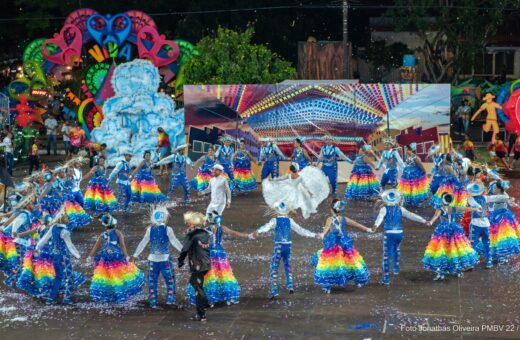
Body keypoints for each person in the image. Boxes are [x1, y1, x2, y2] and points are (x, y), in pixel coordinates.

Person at [250, 201, 318, 299]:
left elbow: (266, 227)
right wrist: (314, 235)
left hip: (279, 247)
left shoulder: (275, 220)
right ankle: (290, 286)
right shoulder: (290, 221)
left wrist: (258, 231)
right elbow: (301, 230)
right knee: (287, 265)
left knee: (274, 267)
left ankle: (274, 291)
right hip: (288, 247)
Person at [187, 211, 248, 306]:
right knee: (214, 274)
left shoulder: (216, 229)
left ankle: (218, 296)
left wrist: (246, 235)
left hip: (216, 255)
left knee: (218, 274)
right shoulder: (209, 229)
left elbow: (233, 233)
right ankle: (213, 297)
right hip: (213, 254)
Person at [313, 199, 372, 293]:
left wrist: (322, 234)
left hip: (333, 243)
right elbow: (356, 224)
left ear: (331, 209)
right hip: (344, 242)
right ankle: (358, 280)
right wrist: (368, 229)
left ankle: (327, 285)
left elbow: (327, 228)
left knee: (330, 263)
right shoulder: (344, 219)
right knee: (350, 260)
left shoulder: (330, 219)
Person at [373, 190, 428, 285]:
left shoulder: (384, 209)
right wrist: (423, 221)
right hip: (399, 234)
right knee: (396, 249)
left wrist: (375, 226)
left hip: (389, 234)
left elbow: (380, 218)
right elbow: (411, 215)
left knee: (386, 256)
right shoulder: (400, 209)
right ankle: (395, 267)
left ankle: (386, 278)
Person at [85, 214, 144, 303]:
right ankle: (119, 292)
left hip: (104, 257)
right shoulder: (118, 233)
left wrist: (89, 256)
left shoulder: (102, 234)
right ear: (115, 224)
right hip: (116, 256)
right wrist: (127, 256)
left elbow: (96, 247)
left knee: (106, 275)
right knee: (118, 275)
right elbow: (122, 246)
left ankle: (108, 293)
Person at [132, 206, 183, 308]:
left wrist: (135, 255)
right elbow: (175, 242)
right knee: (170, 281)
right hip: (165, 261)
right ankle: (170, 300)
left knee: (152, 282)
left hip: (152, 261)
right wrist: (185, 251)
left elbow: (143, 242)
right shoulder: (168, 229)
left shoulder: (150, 229)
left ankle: (153, 301)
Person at [423, 193, 479, 281]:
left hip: (444, 232)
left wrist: (431, 222)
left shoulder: (441, 208)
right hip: (454, 231)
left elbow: (435, 216)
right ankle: (456, 270)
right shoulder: (452, 208)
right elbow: (465, 208)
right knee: (455, 250)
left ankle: (444, 272)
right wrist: (475, 209)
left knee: (442, 251)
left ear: (442, 199)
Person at [35, 208, 84, 304]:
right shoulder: (64, 232)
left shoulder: (53, 228)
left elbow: (44, 240)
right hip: (64, 258)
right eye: (66, 216)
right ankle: (67, 297)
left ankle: (50, 298)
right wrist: (78, 256)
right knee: (69, 277)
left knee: (58, 276)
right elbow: (70, 246)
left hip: (55, 256)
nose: (68, 218)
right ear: (62, 218)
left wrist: (37, 247)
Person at [466, 182, 512, 268]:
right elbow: (502, 197)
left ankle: (470, 263)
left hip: (475, 223)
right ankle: (489, 262)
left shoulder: (470, 199)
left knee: (473, 243)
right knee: (487, 243)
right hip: (485, 224)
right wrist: (504, 191)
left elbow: (467, 206)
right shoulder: (485, 197)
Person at [262, 162, 329, 219]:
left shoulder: (295, 176)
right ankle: (287, 212)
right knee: (289, 202)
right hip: (291, 191)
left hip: (292, 191)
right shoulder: (295, 176)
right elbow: (282, 178)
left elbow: (304, 186)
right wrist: (273, 180)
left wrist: (310, 193)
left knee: (291, 202)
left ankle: (287, 212)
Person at [178, 211, 211, 322]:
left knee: (197, 288)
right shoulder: (206, 233)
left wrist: (180, 261)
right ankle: (206, 304)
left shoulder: (191, 235)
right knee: (195, 283)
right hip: (206, 264)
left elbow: (184, 250)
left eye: (188, 222)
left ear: (193, 223)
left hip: (197, 265)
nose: (186, 224)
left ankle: (202, 314)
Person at [487, 180, 520, 264]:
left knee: (502, 237)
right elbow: (508, 201)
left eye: (495, 188)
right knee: (497, 236)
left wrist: (511, 201)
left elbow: (492, 199)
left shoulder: (503, 196)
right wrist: (512, 202)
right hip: (496, 217)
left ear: (498, 189)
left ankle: (502, 256)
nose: (493, 189)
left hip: (502, 218)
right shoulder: (503, 195)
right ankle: (498, 255)